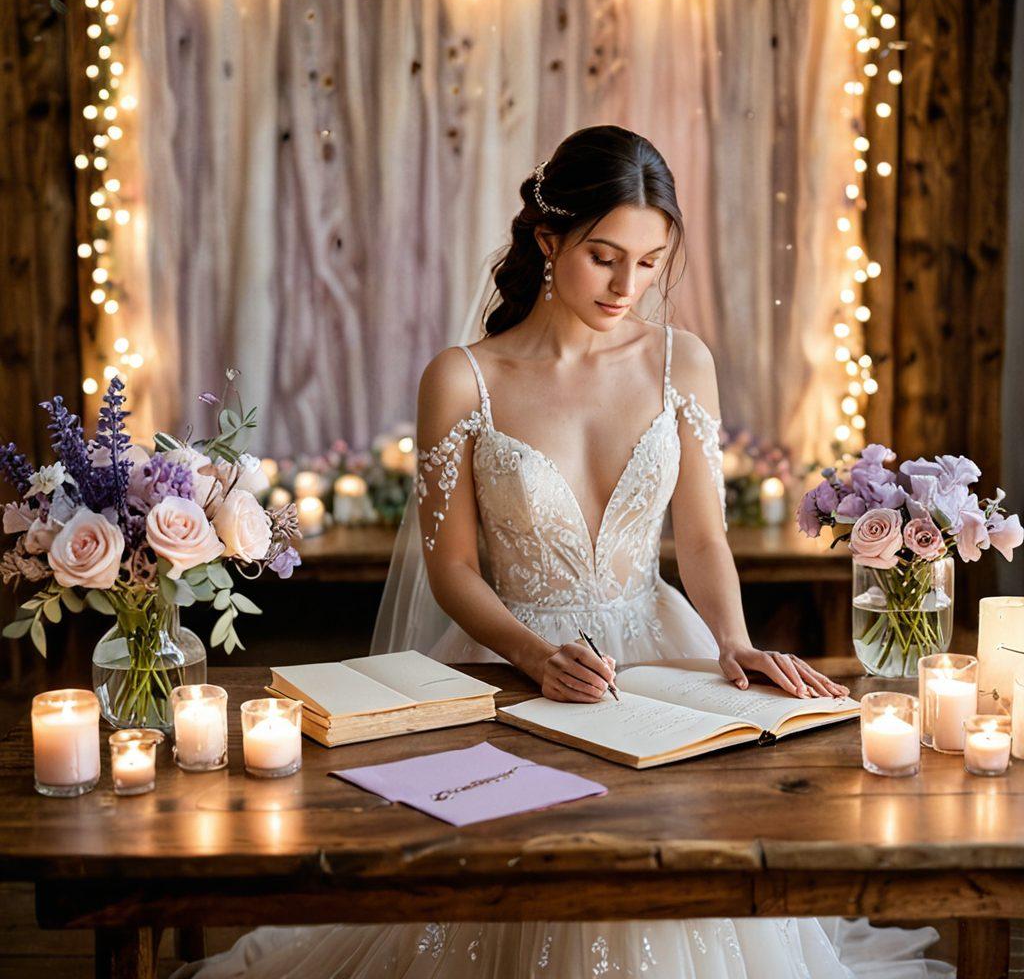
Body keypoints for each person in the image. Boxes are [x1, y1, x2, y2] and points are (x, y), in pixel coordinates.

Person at [178, 125, 952, 978]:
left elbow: (700, 537)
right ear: (549, 240)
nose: (629, 286)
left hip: (663, 654)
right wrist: (537, 655)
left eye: (651, 262)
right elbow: (453, 570)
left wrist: (732, 641)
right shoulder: (463, 378)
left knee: (672, 866)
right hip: (511, 661)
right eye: (605, 257)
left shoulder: (680, 363)